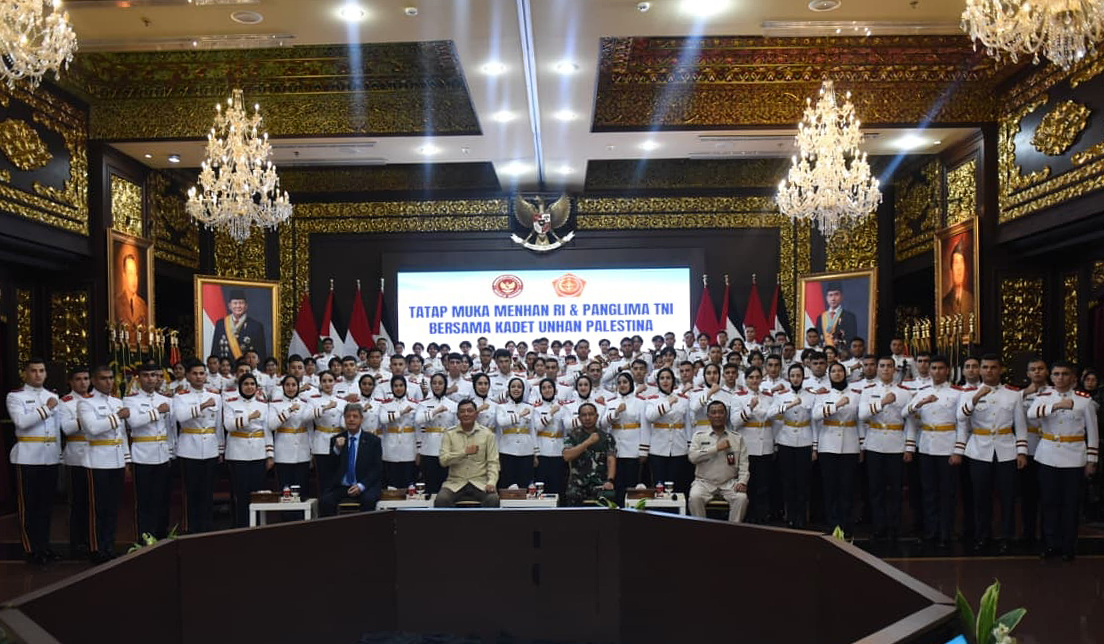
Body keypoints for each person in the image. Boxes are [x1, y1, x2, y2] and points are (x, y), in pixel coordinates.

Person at [954, 354, 1027, 554]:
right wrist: (976, 397)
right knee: (980, 497)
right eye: (985, 367)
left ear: (1000, 370)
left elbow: (1020, 426)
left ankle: (1007, 535)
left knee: (1007, 497)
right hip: (979, 450)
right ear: (979, 370)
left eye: (993, 367)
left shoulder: (1013, 394)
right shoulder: (968, 393)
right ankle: (982, 535)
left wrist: (1021, 452)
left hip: (1006, 450)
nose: (989, 371)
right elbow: (961, 417)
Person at [1028, 361, 1098, 560]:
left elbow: (1092, 432)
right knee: (1049, 503)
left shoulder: (1084, 401)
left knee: (1070, 505)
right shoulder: (1043, 397)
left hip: (1074, 457)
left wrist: (1091, 459)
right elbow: (1031, 414)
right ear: (1051, 377)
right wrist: (1057, 405)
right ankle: (1051, 544)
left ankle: (1069, 547)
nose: (1060, 378)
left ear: (1073, 378)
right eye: (1056, 374)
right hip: (1048, 455)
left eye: (1065, 374)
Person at [8, 358, 62, 565]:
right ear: (25, 374)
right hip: (27, 456)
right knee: (29, 506)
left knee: (46, 506)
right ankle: (31, 549)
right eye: (33, 371)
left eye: (41, 370)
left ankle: (44, 546)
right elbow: (22, 423)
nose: (38, 375)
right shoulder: (16, 396)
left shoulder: (52, 396)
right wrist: (46, 409)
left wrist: (58, 453)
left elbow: (56, 429)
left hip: (49, 456)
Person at [904, 355, 959, 548]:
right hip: (926, 445)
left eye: (940, 368)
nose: (936, 371)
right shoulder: (921, 392)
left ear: (948, 370)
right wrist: (919, 403)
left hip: (947, 446)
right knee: (928, 491)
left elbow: (962, 423)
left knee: (947, 491)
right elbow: (906, 413)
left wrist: (958, 450)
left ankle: (946, 532)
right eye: (933, 368)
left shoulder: (956, 393)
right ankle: (931, 530)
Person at [78, 365, 131, 563]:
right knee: (97, 508)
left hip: (116, 459)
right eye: (103, 378)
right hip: (97, 460)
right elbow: (92, 429)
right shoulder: (85, 402)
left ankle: (108, 545)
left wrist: (127, 460)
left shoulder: (117, 402)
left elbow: (122, 434)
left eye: (111, 378)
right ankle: (96, 547)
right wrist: (118, 416)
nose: (108, 382)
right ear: (93, 380)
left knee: (112, 507)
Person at [858, 356, 914, 540]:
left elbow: (911, 422)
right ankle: (879, 526)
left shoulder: (905, 392)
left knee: (896, 490)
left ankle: (895, 527)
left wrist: (909, 447)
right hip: (874, 443)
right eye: (882, 366)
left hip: (896, 444)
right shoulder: (868, 391)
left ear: (895, 370)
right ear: (877, 369)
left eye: (889, 366)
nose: (885, 369)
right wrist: (882, 403)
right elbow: (862, 415)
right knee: (876, 489)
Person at [172, 358, 223, 534]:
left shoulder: (216, 396)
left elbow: (218, 425)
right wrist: (202, 406)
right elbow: (180, 417)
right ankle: (190, 527)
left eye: (202, 373)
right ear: (187, 376)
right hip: (189, 448)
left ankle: (207, 527)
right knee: (191, 492)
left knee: (207, 491)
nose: (199, 377)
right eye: (195, 373)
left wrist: (220, 448)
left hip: (210, 448)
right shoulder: (180, 396)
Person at [125, 361, 175, 540]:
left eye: (154, 375)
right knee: (144, 501)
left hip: (162, 453)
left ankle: (162, 535)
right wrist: (156, 412)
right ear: (139, 379)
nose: (150, 379)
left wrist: (171, 451)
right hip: (142, 454)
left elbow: (170, 429)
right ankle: (145, 537)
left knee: (162, 499)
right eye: (146, 375)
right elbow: (134, 422)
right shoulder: (131, 400)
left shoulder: (166, 400)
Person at [813, 362, 862, 536]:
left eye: (840, 371)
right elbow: (816, 415)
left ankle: (846, 523)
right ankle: (833, 523)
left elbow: (860, 420)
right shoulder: (823, 394)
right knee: (830, 487)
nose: (837, 374)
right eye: (833, 371)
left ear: (845, 373)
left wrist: (861, 445)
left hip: (850, 444)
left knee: (847, 487)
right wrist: (837, 405)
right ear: (829, 375)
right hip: (828, 444)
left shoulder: (856, 395)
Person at [222, 373, 274, 528]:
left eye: (252, 384)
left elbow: (267, 430)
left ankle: (257, 525)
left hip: (258, 452)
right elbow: (228, 425)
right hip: (238, 452)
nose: (249, 387)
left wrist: (269, 454)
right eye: (246, 384)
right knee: (241, 493)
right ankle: (241, 526)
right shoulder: (230, 402)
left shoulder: (263, 404)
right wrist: (249, 418)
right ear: (240, 386)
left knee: (257, 493)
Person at [688, 400, 749, 523]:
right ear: (708, 416)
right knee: (694, 497)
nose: (717, 416)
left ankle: (733, 532)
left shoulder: (736, 438)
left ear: (726, 416)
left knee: (741, 498)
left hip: (729, 483)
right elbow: (692, 458)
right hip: (704, 482)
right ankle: (701, 532)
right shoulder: (699, 436)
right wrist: (716, 448)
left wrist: (742, 482)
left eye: (721, 412)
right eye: (714, 412)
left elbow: (744, 464)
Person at [771, 363, 816, 529]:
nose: (796, 378)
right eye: (793, 375)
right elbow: (771, 414)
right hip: (786, 440)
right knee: (788, 481)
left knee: (803, 481)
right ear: (788, 377)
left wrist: (815, 446)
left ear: (803, 377)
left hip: (805, 439)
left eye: (799, 375)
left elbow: (814, 422)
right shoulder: (781, 395)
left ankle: (801, 516)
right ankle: (790, 515)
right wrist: (787, 406)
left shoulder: (811, 395)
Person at [435, 399, 501, 507]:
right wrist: (464, 453)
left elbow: (493, 462)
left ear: (476, 414)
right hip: (455, 483)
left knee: (493, 499)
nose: (466, 414)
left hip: (480, 483)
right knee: (441, 499)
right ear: (457, 415)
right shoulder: (449, 434)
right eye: (462, 411)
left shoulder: (487, 434)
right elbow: (443, 460)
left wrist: (491, 482)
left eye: (470, 411)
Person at [320, 404, 383, 516]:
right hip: (342, 486)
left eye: (355, 416)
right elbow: (329, 467)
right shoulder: (336, 439)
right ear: (344, 419)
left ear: (361, 419)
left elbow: (377, 469)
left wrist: (361, 486)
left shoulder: (373, 441)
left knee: (368, 500)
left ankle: (364, 533)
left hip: (364, 485)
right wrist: (337, 449)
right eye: (348, 416)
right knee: (326, 500)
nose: (351, 419)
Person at [732, 366, 774, 523]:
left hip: (766, 445)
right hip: (748, 446)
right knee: (747, 484)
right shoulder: (738, 397)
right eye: (751, 377)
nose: (755, 380)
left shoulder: (769, 397)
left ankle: (762, 518)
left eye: (757, 377)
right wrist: (750, 407)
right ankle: (747, 518)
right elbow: (735, 422)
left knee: (763, 485)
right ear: (746, 379)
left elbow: (774, 422)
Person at [57, 366, 91, 558]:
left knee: (94, 502)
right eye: (78, 379)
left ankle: (91, 538)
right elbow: (67, 429)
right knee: (78, 501)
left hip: (97, 454)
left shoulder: (96, 399)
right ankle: (77, 542)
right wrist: (85, 419)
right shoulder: (66, 402)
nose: (83, 382)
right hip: (76, 455)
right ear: (70, 382)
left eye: (86, 378)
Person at [562, 403, 617, 506]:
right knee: (572, 495)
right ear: (579, 418)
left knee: (609, 495)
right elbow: (567, 456)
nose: (587, 418)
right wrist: (588, 442)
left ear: (596, 416)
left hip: (599, 482)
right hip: (578, 483)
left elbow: (611, 460)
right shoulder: (572, 435)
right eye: (584, 415)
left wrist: (610, 480)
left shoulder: (606, 437)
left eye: (591, 414)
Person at [644, 367, 690, 493]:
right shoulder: (651, 399)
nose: (665, 381)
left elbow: (688, 424)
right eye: (662, 378)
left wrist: (689, 445)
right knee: (659, 486)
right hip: (658, 448)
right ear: (658, 381)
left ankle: (677, 512)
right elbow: (650, 416)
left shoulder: (684, 399)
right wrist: (667, 404)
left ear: (673, 381)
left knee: (678, 485)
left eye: (668, 378)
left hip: (679, 446)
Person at [1019, 357, 1049, 544]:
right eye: (1033, 369)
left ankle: (1048, 533)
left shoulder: (1055, 393)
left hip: (1048, 447)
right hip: (1028, 446)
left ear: (1046, 372)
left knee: (1047, 494)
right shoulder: (1020, 395)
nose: (1037, 372)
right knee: (1027, 494)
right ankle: (1028, 533)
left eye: (1040, 368)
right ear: (1028, 373)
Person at [605, 372, 650, 495]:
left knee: (631, 485)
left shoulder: (640, 402)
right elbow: (603, 423)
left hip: (633, 449)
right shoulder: (611, 402)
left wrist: (643, 450)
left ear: (631, 384)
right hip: (616, 450)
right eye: (619, 383)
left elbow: (645, 427)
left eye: (625, 382)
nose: (622, 385)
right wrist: (615, 413)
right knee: (616, 484)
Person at [267, 375, 312, 496]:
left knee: (302, 489)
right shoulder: (275, 404)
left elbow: (310, 428)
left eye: (294, 385)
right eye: (287, 385)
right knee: (285, 489)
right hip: (283, 451)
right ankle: (287, 515)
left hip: (302, 450)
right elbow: (271, 425)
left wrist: (311, 449)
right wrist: (288, 411)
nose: (291, 388)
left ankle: (302, 515)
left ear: (298, 387)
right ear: (282, 387)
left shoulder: (305, 403)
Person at [416, 373, 457, 494]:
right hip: (429, 447)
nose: (437, 386)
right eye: (434, 383)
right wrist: (436, 411)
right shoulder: (423, 404)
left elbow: (457, 427)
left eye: (440, 383)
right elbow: (418, 420)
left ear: (445, 385)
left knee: (447, 483)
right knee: (430, 484)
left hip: (448, 448)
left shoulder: (453, 404)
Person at [308, 370, 345, 498]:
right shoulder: (314, 400)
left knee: (338, 477)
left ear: (335, 382)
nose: (327, 384)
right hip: (321, 440)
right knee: (324, 479)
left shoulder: (342, 401)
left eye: (330, 381)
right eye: (324, 381)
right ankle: (325, 508)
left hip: (338, 440)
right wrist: (325, 408)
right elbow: (308, 416)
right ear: (320, 383)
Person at [495, 377, 536, 489]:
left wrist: (535, 452)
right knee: (508, 483)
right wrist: (519, 415)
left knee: (525, 484)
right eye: (513, 387)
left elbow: (532, 430)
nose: (516, 389)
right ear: (509, 389)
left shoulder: (529, 407)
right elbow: (501, 422)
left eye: (519, 387)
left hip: (526, 450)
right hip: (507, 449)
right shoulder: (501, 407)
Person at [378, 375, 419, 489]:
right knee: (392, 483)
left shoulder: (414, 404)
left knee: (409, 482)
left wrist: (418, 449)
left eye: (401, 385)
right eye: (395, 386)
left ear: (406, 387)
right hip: (391, 444)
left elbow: (418, 428)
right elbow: (383, 419)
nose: (398, 388)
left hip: (409, 444)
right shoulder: (385, 404)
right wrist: (401, 412)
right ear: (391, 388)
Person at [210, 289, 267, 362]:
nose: (238, 306)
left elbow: (261, 354)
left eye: (241, 303)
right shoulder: (221, 324)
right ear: (229, 306)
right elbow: (215, 350)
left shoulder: (256, 326)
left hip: (247, 370)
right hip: (225, 370)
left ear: (246, 306)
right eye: (235, 303)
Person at [533, 378, 567, 495]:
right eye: (544, 388)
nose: (547, 390)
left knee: (559, 486)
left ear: (555, 390)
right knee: (542, 487)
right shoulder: (536, 408)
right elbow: (537, 428)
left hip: (559, 450)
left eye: (549, 387)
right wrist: (550, 413)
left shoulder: (563, 407)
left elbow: (567, 428)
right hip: (543, 451)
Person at [815, 281, 858, 348]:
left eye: (836, 294)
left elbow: (852, 339)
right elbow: (817, 338)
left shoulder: (849, 317)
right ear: (826, 298)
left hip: (842, 354)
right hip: (823, 354)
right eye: (830, 295)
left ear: (841, 296)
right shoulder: (820, 318)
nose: (833, 299)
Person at [114, 249, 148, 327]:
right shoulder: (117, 303)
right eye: (130, 273)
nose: (133, 279)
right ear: (124, 275)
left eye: (135, 274)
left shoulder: (143, 305)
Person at [942, 240, 974, 316]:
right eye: (956, 263)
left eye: (961, 262)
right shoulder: (944, 303)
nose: (959, 268)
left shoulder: (971, 299)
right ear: (951, 269)